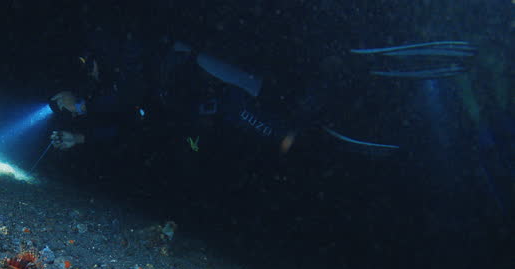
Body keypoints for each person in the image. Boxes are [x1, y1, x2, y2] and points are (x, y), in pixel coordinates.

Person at [49, 34, 477, 155]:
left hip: (241, 95)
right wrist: (84, 136)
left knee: (301, 126)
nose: (91, 77)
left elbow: (132, 92)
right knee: (307, 131)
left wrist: (85, 107)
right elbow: (142, 126)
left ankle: (394, 66)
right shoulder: (136, 91)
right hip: (226, 112)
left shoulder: (134, 56)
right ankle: (401, 121)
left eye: (89, 68)